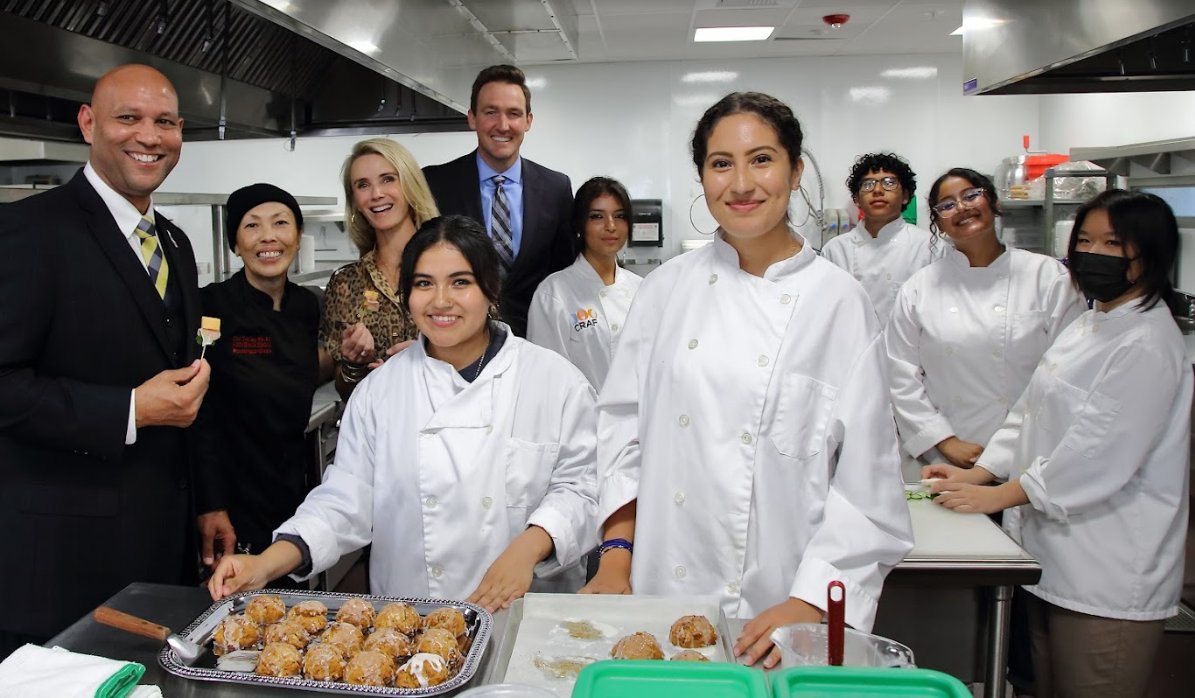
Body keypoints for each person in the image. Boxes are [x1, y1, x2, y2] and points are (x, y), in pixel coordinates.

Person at [580, 92, 914, 668]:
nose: (740, 183)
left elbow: (868, 489)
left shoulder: (839, 303)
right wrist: (615, 555)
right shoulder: (665, 291)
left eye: (761, 159)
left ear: (796, 170)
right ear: (702, 177)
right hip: (660, 585)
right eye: (721, 163)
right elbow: (621, 434)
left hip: (781, 608)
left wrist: (807, 602)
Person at [207, 215, 598, 611]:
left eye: (460, 282)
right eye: (424, 284)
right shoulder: (379, 391)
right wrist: (265, 564)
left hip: (524, 613)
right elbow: (345, 499)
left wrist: (529, 547)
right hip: (412, 619)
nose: (440, 301)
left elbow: (582, 488)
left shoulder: (554, 382)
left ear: (490, 289)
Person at [925, 190, 1190, 698]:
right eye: (1085, 241)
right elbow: (1032, 411)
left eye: (1113, 243)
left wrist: (999, 496)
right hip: (1054, 560)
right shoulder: (1093, 322)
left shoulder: (1147, 342)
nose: (1093, 254)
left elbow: (1097, 452)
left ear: (1151, 253)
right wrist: (980, 473)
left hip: (1109, 574)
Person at [0, 64, 209, 655]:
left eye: (165, 122)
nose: (149, 136)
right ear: (88, 123)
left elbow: (184, 380)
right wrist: (130, 410)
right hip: (64, 563)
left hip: (161, 549)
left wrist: (208, 502)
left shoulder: (174, 242)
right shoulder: (29, 230)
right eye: (129, 118)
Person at [886, 168, 1084, 472]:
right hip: (946, 458)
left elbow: (1069, 372)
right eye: (947, 205)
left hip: (1031, 452)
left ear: (993, 202)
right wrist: (943, 440)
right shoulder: (919, 289)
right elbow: (900, 374)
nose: (961, 207)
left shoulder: (1047, 277)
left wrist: (1006, 454)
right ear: (938, 222)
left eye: (971, 195)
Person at [194, 184, 334, 575]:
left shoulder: (306, 305)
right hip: (231, 493)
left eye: (280, 223)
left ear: (298, 237)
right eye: (252, 225)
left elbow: (299, 371)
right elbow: (200, 416)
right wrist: (211, 504)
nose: (268, 236)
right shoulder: (212, 305)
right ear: (235, 244)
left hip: (290, 484)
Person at [422, 64, 574, 337]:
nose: (503, 125)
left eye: (513, 114)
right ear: (472, 118)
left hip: (537, 338)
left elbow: (565, 272)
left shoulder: (556, 188)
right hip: (458, 338)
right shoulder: (435, 183)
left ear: (528, 121)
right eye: (490, 112)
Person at [323, 138, 439, 399]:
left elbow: (489, 354)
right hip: (374, 421)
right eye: (362, 185)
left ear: (410, 185)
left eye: (388, 179)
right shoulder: (345, 282)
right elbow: (344, 388)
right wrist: (354, 364)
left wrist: (430, 357)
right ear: (355, 201)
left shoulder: (452, 266)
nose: (376, 194)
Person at [527, 177, 644, 389]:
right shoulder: (553, 294)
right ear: (580, 224)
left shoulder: (642, 289)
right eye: (597, 216)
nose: (611, 226)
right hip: (580, 410)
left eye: (619, 216)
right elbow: (547, 377)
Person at [821, 152, 941, 324]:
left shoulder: (930, 248)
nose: (877, 190)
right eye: (868, 184)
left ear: (905, 196)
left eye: (889, 183)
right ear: (857, 199)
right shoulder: (835, 251)